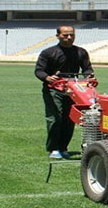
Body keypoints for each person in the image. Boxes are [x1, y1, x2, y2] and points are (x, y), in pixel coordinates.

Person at [34, 25, 94, 159]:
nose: (68, 37)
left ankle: (63, 148)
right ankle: (53, 148)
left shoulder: (81, 52)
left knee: (69, 120)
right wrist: (47, 77)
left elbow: (87, 69)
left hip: (74, 90)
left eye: (71, 35)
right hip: (54, 89)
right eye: (65, 35)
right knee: (55, 118)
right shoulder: (48, 53)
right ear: (58, 36)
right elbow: (39, 71)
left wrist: (89, 76)